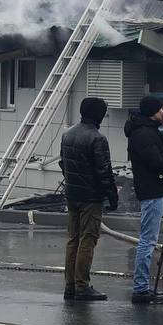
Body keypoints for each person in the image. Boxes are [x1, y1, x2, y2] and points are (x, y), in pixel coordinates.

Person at [124, 96, 163, 304]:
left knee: (149, 240)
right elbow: (159, 161)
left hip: (154, 191)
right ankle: (140, 289)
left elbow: (160, 144)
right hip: (152, 192)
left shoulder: (147, 130)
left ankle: (143, 287)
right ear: (153, 111)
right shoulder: (143, 135)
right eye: (160, 110)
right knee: (148, 241)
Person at [60, 96, 119, 301]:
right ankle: (82, 285)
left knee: (73, 239)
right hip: (90, 197)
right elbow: (104, 172)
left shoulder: (68, 134)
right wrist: (112, 196)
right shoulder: (97, 139)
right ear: (99, 115)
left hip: (72, 194)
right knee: (88, 238)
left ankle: (70, 285)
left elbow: (63, 164)